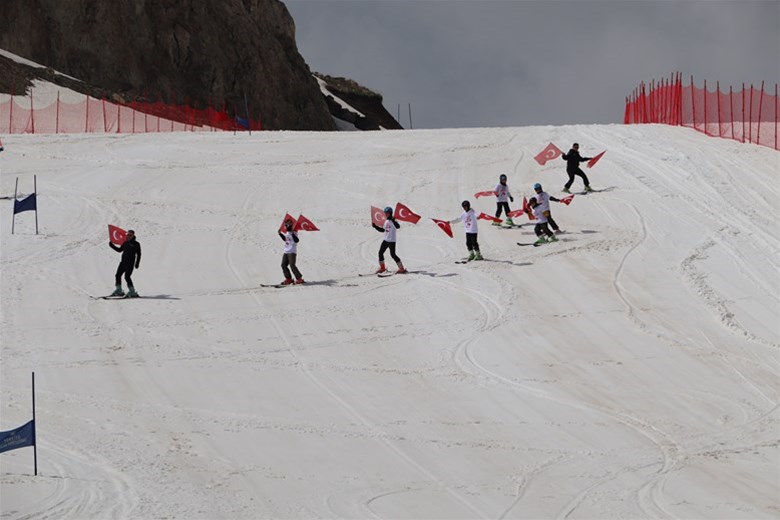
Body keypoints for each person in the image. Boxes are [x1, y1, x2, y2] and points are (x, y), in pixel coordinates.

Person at [372, 206, 407, 274]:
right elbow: (383, 230)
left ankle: (401, 268)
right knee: (380, 253)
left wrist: (393, 220)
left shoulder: (393, 221)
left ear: (390, 213)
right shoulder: (386, 221)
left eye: (387, 213)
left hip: (392, 241)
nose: (385, 214)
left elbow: (398, 226)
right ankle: (382, 268)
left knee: (393, 255)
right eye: (385, 213)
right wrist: (375, 227)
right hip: (386, 240)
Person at [109, 229, 141, 297]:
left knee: (127, 276)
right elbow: (119, 250)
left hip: (130, 263)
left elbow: (139, 254)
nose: (128, 236)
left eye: (130, 235)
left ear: (133, 236)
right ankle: (119, 290)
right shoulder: (125, 243)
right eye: (127, 235)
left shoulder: (136, 244)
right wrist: (112, 245)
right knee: (117, 275)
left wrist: (137, 263)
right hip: (123, 262)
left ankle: (132, 292)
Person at [279, 219, 305, 285]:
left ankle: (299, 279)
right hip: (286, 251)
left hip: (292, 252)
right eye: (285, 225)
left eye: (286, 225)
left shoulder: (294, 232)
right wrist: (280, 234)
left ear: (290, 225)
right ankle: (289, 279)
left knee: (292, 265)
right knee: (283, 265)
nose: (285, 226)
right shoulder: (287, 232)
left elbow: (296, 240)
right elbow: (286, 239)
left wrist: (292, 233)